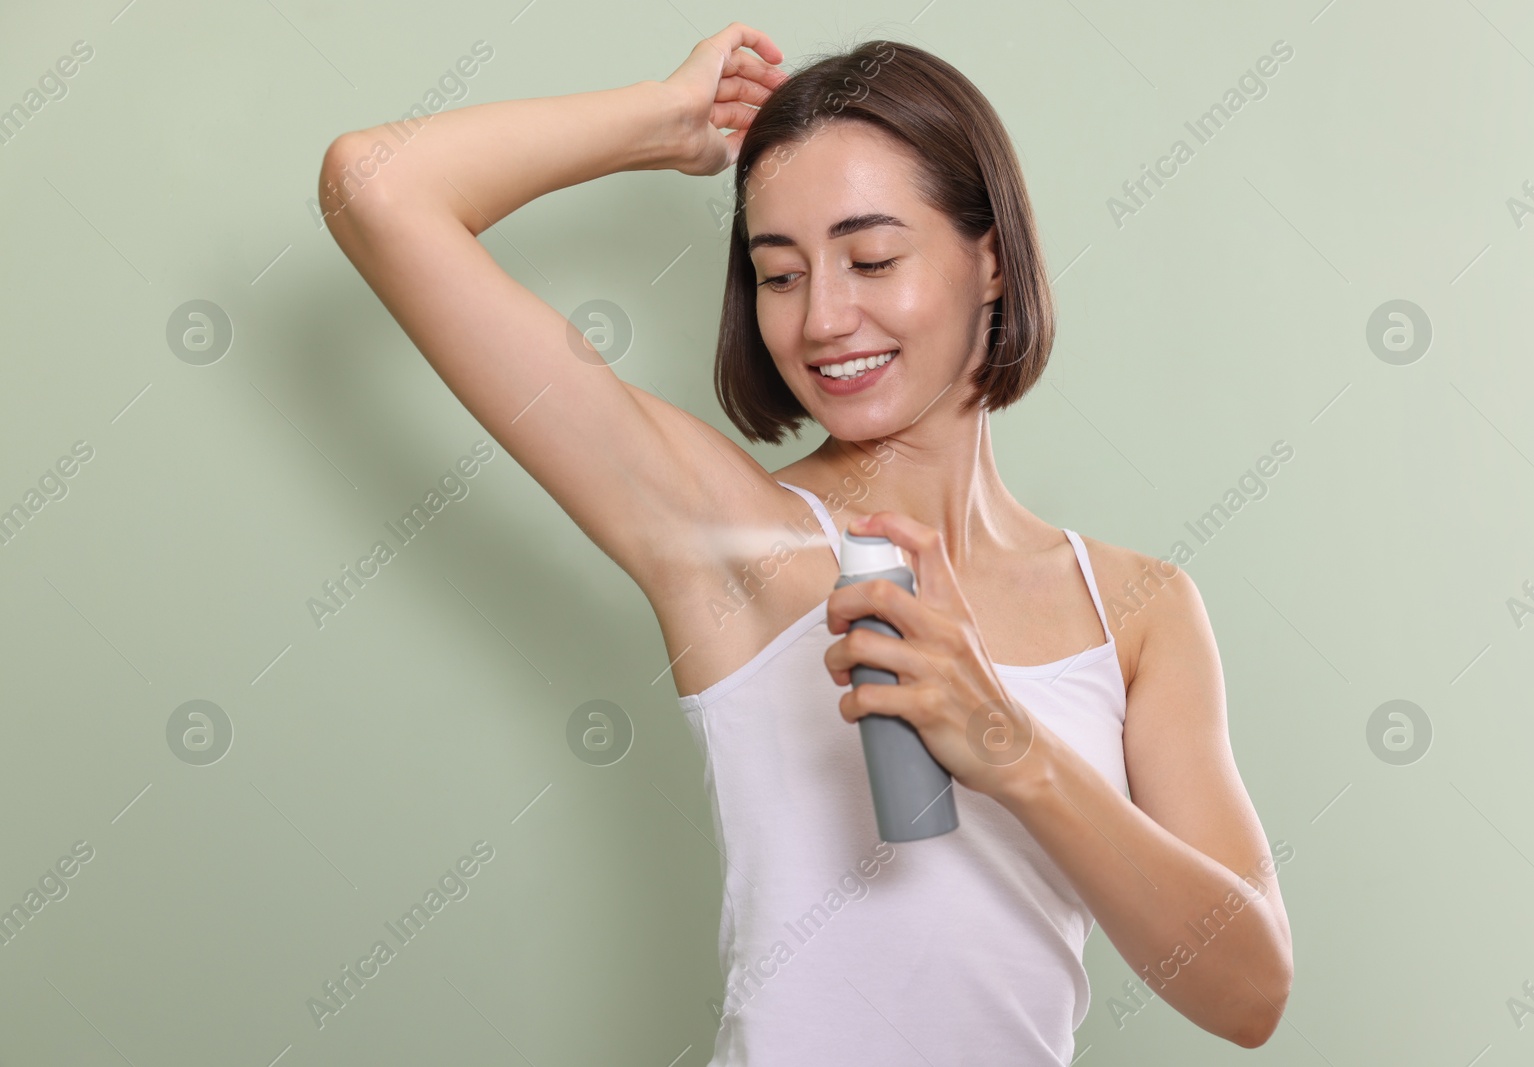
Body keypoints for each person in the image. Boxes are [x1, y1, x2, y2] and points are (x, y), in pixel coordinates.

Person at [319, 22, 1293, 1063]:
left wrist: (1009, 745)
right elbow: (375, 187)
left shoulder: (1139, 609)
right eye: (779, 274)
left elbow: (1247, 992)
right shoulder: (731, 537)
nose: (824, 317)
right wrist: (661, 121)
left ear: (992, 259)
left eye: (871, 256)